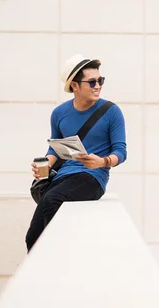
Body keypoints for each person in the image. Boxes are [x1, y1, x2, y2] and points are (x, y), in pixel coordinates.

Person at [26, 54, 127, 252]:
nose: (98, 85)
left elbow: (121, 152)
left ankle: (58, 255)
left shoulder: (111, 111)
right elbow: (54, 147)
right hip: (63, 177)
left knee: (52, 200)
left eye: (100, 81)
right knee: (32, 237)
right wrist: (45, 164)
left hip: (92, 178)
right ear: (74, 86)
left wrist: (102, 162)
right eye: (92, 82)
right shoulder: (59, 113)